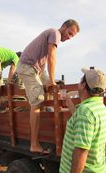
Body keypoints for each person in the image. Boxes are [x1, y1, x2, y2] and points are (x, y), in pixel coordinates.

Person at [16, 19, 80, 154]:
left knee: (55, 89)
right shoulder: (55, 33)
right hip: (27, 67)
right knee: (38, 100)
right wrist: (51, 80)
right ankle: (34, 144)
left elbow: (45, 61)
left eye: (72, 36)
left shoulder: (52, 35)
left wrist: (50, 82)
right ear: (63, 27)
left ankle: (51, 115)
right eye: (69, 33)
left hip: (38, 70)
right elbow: (52, 57)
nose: (69, 37)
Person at [59, 67, 106, 173]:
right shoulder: (98, 107)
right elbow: (79, 118)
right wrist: (68, 101)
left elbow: (81, 151)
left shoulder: (86, 113)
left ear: (82, 85)